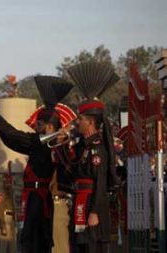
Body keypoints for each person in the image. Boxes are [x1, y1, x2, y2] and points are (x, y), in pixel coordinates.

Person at [0, 75, 75, 253]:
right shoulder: (44, 143)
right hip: (35, 198)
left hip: (40, 200)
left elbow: (12, 135)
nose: (35, 128)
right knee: (33, 241)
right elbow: (12, 138)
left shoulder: (48, 144)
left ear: (48, 127)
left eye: (39, 125)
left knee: (35, 242)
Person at [66, 62, 121, 253]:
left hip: (91, 206)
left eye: (80, 119)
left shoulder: (98, 149)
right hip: (80, 202)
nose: (77, 122)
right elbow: (72, 169)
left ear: (89, 122)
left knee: (91, 248)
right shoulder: (83, 145)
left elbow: (100, 182)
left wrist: (95, 211)